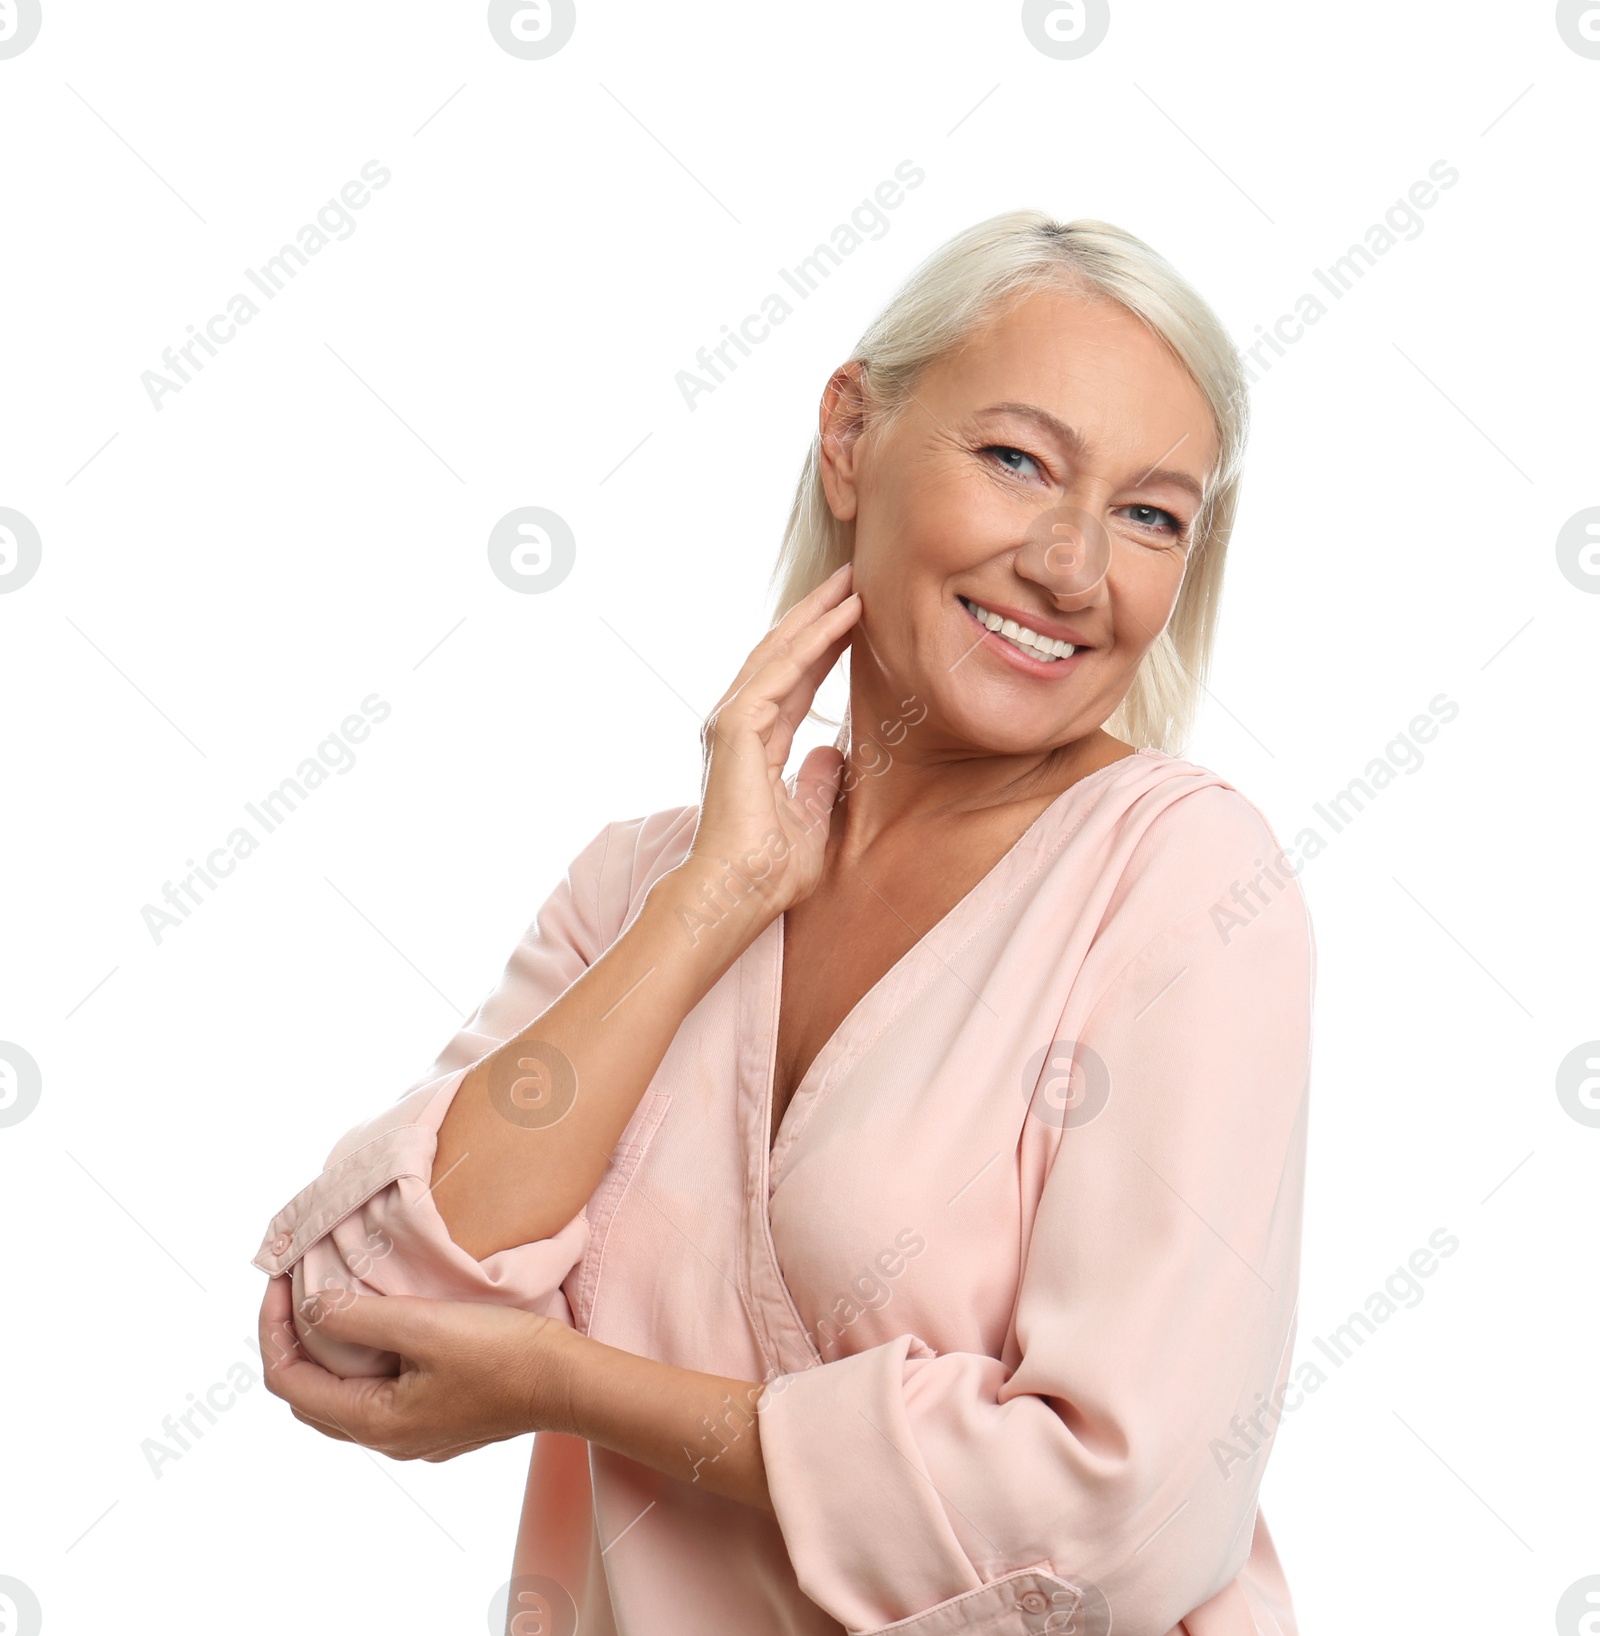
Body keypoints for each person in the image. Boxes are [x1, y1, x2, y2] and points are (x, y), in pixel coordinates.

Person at [253, 210, 1315, 1636]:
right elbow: (356, 1322)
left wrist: (568, 1387)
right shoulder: (641, 889)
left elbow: (1119, 1520)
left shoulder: (1183, 881)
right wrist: (709, 907)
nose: (1074, 568)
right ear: (851, 436)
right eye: (1018, 461)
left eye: (1149, 514)